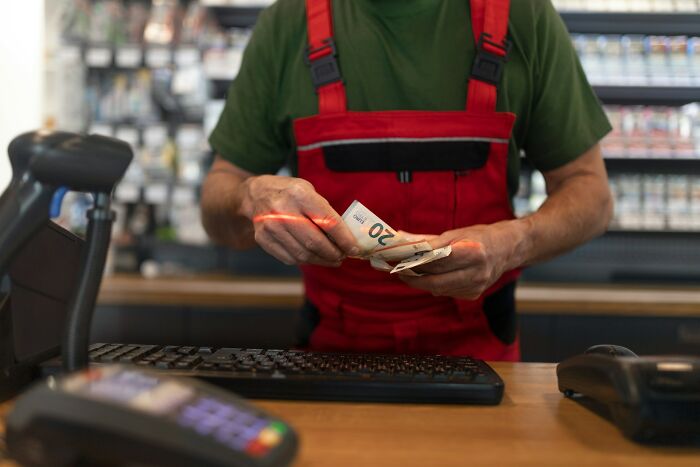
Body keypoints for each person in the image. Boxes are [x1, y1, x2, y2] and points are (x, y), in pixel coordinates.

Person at [201, 0, 613, 361]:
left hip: (481, 358)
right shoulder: (287, 23)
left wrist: (513, 243)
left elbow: (591, 194)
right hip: (330, 359)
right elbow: (218, 205)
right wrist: (249, 198)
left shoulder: (522, 15)